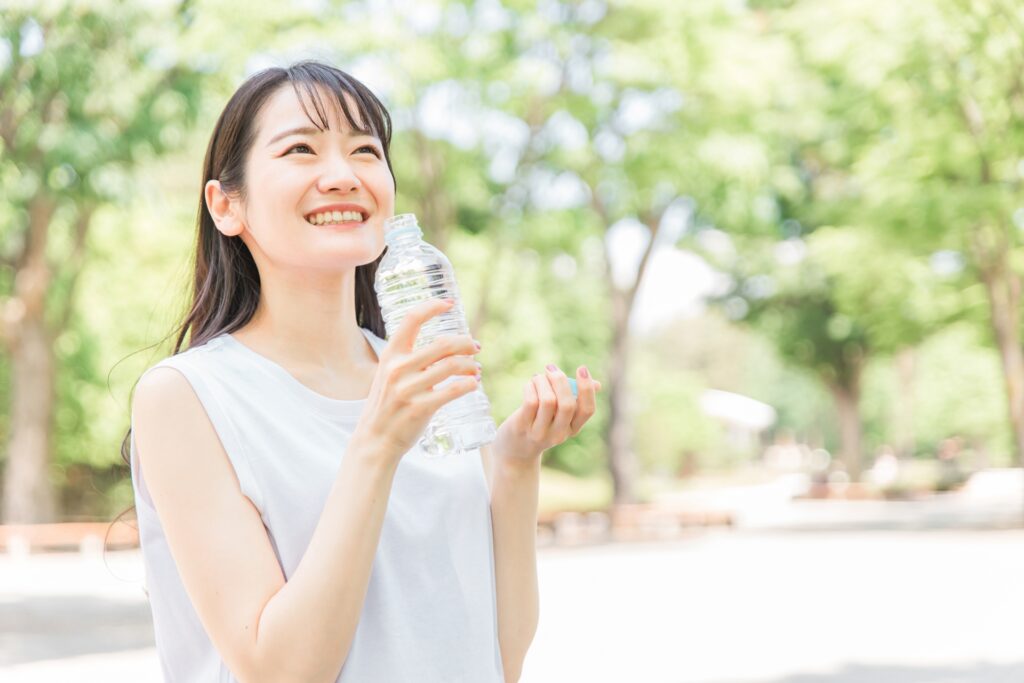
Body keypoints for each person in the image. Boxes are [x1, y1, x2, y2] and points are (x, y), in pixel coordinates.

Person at [127, 60, 602, 683]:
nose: (342, 176)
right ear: (226, 205)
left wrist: (515, 463)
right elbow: (281, 670)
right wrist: (377, 442)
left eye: (364, 151)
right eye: (300, 149)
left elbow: (499, 655)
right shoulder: (187, 397)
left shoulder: (419, 372)